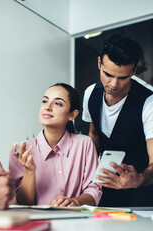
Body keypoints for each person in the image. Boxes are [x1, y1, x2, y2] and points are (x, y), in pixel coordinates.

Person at [82, 34, 153, 207]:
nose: (113, 84)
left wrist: (140, 178)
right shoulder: (90, 93)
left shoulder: (148, 101)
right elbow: (93, 137)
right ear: (99, 63)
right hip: (102, 192)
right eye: (108, 74)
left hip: (141, 197)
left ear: (134, 70)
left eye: (123, 77)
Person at [9, 83, 102, 206]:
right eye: (45, 101)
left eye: (58, 103)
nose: (47, 107)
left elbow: (94, 190)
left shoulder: (84, 144)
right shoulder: (22, 151)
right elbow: (22, 204)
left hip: (77, 221)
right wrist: (30, 171)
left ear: (72, 115)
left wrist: (75, 201)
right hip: (37, 222)